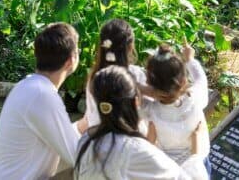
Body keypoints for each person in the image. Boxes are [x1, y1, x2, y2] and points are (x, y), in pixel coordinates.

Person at [74, 66, 208, 179]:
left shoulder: (86, 140)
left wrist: (149, 144)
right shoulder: (137, 150)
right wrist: (196, 152)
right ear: (136, 101)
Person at [0, 23, 88, 180]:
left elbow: (56, 135)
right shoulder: (43, 95)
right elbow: (78, 157)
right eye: (77, 50)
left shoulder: (28, 86)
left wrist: (83, 124)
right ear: (71, 60)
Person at [140, 42, 211, 173]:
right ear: (184, 81)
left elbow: (128, 89)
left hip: (168, 169)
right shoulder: (196, 98)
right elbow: (201, 78)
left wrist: (146, 90)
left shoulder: (148, 110)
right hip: (198, 165)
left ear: (149, 83)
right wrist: (190, 59)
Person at [85, 19, 147, 128]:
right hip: (132, 136)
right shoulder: (136, 75)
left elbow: (91, 115)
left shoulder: (95, 77)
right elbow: (148, 114)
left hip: (98, 137)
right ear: (130, 47)